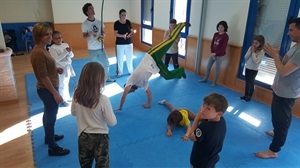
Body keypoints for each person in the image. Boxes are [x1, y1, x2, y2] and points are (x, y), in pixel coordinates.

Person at [114, 22, 190, 111]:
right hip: (155, 63)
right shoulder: (142, 84)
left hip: (152, 54)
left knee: (171, 39)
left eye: (129, 90)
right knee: (167, 76)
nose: (131, 91)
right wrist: (149, 104)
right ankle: (181, 71)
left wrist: (120, 107)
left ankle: (182, 25)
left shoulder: (130, 80)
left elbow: (123, 96)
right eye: (131, 91)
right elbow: (149, 93)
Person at [255, 17, 300, 159]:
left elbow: (283, 71)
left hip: (287, 93)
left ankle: (273, 150)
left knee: (282, 121)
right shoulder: (296, 46)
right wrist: (276, 55)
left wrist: (274, 55)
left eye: (291, 30)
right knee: (278, 116)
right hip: (281, 89)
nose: (288, 33)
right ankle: (276, 131)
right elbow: (285, 65)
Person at [30, 22, 70, 156]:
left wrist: (55, 69)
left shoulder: (43, 49)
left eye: (50, 34)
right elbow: (43, 76)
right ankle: (52, 147)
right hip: (47, 89)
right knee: (51, 118)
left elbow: (46, 69)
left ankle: (49, 138)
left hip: (49, 87)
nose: (49, 37)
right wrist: (55, 94)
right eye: (45, 34)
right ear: (38, 36)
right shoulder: (38, 52)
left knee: (48, 113)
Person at [71, 62, 117, 167]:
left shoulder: (77, 95)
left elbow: (73, 113)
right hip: (101, 138)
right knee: (102, 165)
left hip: (83, 136)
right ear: (100, 80)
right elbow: (112, 122)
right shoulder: (103, 100)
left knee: (85, 164)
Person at [189, 93, 228, 168]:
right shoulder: (222, 120)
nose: (203, 110)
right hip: (212, 158)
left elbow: (191, 137)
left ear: (219, 113)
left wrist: (197, 118)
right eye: (204, 105)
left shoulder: (204, 127)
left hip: (200, 162)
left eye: (208, 109)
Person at [81, 2, 116, 82]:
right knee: (96, 66)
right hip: (92, 49)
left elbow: (103, 32)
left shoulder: (99, 22)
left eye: (92, 8)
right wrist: (89, 34)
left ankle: (106, 77)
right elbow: (84, 37)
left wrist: (103, 36)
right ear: (87, 12)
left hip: (101, 47)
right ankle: (97, 79)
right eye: (90, 8)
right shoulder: (84, 24)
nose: (93, 9)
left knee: (106, 63)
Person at [49, 31, 75, 107]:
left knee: (66, 82)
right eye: (56, 38)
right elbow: (56, 59)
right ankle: (62, 99)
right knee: (61, 84)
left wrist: (69, 52)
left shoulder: (65, 44)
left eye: (60, 37)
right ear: (52, 39)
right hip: (60, 68)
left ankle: (66, 97)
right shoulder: (52, 48)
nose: (59, 39)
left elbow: (72, 55)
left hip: (68, 66)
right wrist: (66, 52)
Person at [199, 21, 229, 87]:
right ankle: (205, 78)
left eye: (222, 27)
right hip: (213, 54)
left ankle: (214, 82)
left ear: (224, 28)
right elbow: (212, 44)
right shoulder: (216, 34)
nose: (220, 28)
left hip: (220, 55)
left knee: (217, 69)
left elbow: (223, 47)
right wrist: (212, 53)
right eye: (219, 27)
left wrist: (215, 53)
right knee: (208, 66)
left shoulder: (225, 36)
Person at [240, 35, 265, 102]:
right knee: (247, 82)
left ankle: (249, 97)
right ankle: (245, 95)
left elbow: (256, 61)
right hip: (247, 68)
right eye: (253, 42)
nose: (254, 44)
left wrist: (253, 52)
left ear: (261, 44)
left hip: (253, 70)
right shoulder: (251, 48)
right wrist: (250, 51)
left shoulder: (261, 52)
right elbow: (246, 57)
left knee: (251, 83)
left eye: (256, 43)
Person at [114, 9, 134, 77]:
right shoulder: (116, 23)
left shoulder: (128, 22)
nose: (124, 16)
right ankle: (120, 72)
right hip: (120, 44)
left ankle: (131, 71)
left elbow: (131, 31)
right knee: (120, 59)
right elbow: (115, 34)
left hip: (129, 43)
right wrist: (122, 36)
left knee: (129, 58)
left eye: (125, 15)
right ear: (119, 16)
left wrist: (131, 33)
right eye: (122, 15)